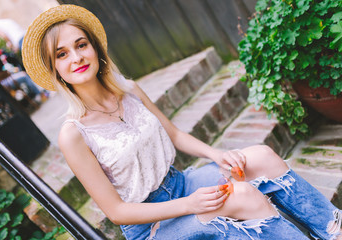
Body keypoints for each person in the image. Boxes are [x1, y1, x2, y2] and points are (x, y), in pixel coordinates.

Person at [21, 4, 341, 240]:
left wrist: (218, 155)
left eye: (81, 45)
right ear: (55, 70)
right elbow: (117, 212)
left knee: (261, 158)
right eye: (61, 55)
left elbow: (173, 133)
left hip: (181, 184)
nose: (76, 58)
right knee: (242, 197)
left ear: (95, 48)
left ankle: (333, 231)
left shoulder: (129, 90)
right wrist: (189, 205)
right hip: (151, 225)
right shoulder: (73, 133)